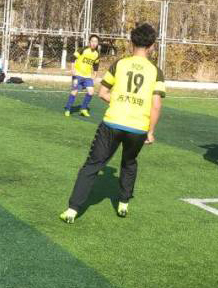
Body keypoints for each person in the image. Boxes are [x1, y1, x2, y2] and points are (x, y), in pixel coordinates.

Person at [60, 24, 165, 223]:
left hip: (112, 123)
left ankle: (72, 210)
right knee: (129, 162)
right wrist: (150, 131)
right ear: (152, 45)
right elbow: (156, 105)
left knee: (93, 165)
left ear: (131, 42)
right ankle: (123, 203)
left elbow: (102, 93)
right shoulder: (156, 71)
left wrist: (119, 103)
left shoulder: (120, 64)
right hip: (138, 128)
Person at [64, 34, 101, 117]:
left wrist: (95, 74)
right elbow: (73, 58)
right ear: (89, 42)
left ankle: (83, 109)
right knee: (74, 91)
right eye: (92, 41)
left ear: (97, 43)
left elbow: (96, 64)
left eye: (96, 42)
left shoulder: (97, 54)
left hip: (87, 76)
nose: (94, 43)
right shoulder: (83, 49)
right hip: (77, 75)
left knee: (91, 92)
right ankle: (68, 109)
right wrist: (72, 69)